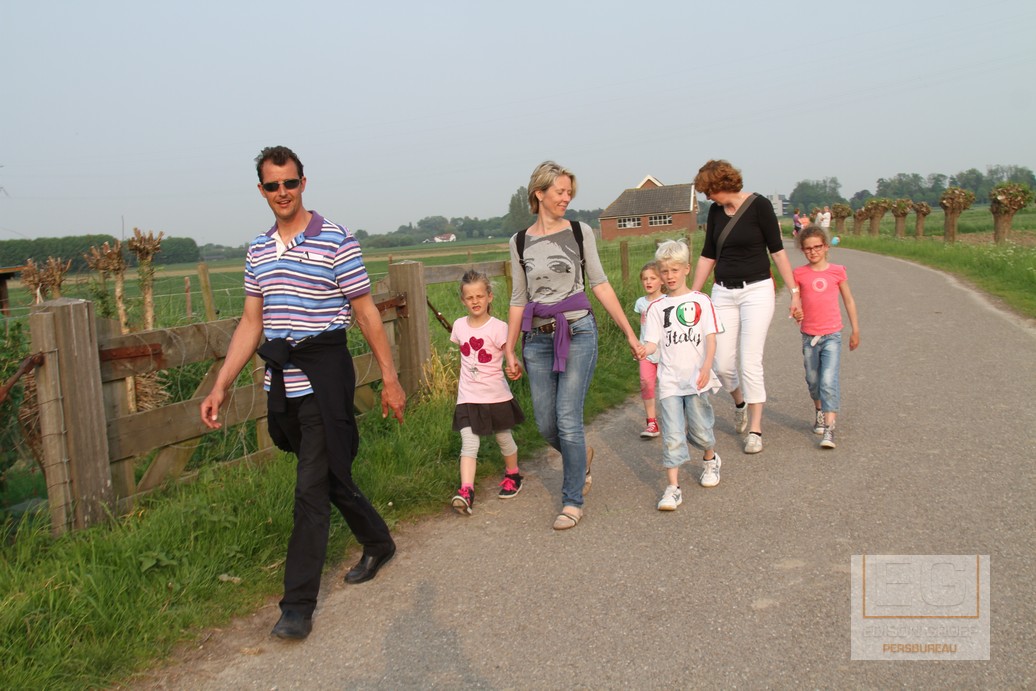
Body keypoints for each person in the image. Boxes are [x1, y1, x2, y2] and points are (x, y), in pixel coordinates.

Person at [200, 146, 405, 641]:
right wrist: (220, 384)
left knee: (309, 488)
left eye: (289, 183)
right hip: (281, 381)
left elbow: (365, 311)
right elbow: (252, 322)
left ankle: (297, 606)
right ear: (261, 190)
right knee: (328, 472)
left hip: (325, 375)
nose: (282, 192)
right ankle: (378, 541)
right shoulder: (258, 250)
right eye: (272, 186)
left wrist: (390, 378)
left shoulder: (336, 239)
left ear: (303, 183)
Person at [504, 160, 644, 531]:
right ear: (539, 193)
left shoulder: (580, 232)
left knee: (568, 418)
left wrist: (629, 333)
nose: (567, 198)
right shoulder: (519, 241)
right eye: (560, 192)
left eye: (570, 192)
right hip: (537, 339)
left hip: (579, 331)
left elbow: (600, 284)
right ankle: (581, 456)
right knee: (545, 423)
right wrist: (509, 348)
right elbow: (518, 298)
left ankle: (572, 500)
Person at [690, 159, 801, 454]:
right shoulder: (715, 212)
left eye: (708, 191)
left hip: (757, 291)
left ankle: (755, 429)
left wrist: (794, 292)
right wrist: (692, 295)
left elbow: (777, 252)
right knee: (722, 364)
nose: (707, 197)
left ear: (721, 185)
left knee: (750, 360)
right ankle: (739, 402)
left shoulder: (759, 206)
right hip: (723, 292)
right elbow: (708, 255)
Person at [642, 241, 723, 510]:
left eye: (675, 270)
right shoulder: (656, 307)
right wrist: (643, 350)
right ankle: (673, 488)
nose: (670, 276)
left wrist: (707, 367)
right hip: (670, 382)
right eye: (664, 271)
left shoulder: (701, 301)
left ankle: (710, 459)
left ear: (687, 269)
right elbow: (652, 343)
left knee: (700, 431)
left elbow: (711, 337)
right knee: (672, 435)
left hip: (696, 379)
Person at [449, 269, 525, 515]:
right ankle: (466, 491)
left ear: (489, 296)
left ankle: (513, 475)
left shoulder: (499, 328)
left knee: (503, 438)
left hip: (496, 396)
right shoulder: (459, 326)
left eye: (480, 296)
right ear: (463, 300)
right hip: (467, 397)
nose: (475, 301)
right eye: (470, 297)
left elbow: (511, 356)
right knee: (469, 444)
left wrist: (515, 366)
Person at [791, 226, 860, 449]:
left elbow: (848, 300)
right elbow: (796, 303)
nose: (813, 252)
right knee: (813, 381)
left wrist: (855, 329)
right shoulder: (799, 274)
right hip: (809, 336)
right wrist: (796, 313)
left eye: (817, 247)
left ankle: (829, 428)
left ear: (826, 247)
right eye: (808, 248)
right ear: (802, 250)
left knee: (828, 380)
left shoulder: (837, 271)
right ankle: (819, 411)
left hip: (832, 335)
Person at [634, 261, 665, 438]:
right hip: (646, 352)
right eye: (645, 279)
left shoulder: (667, 301)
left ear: (662, 280)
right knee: (646, 383)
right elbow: (642, 326)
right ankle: (651, 423)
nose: (648, 282)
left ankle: (677, 417)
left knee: (669, 387)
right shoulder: (640, 303)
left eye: (653, 278)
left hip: (665, 352)